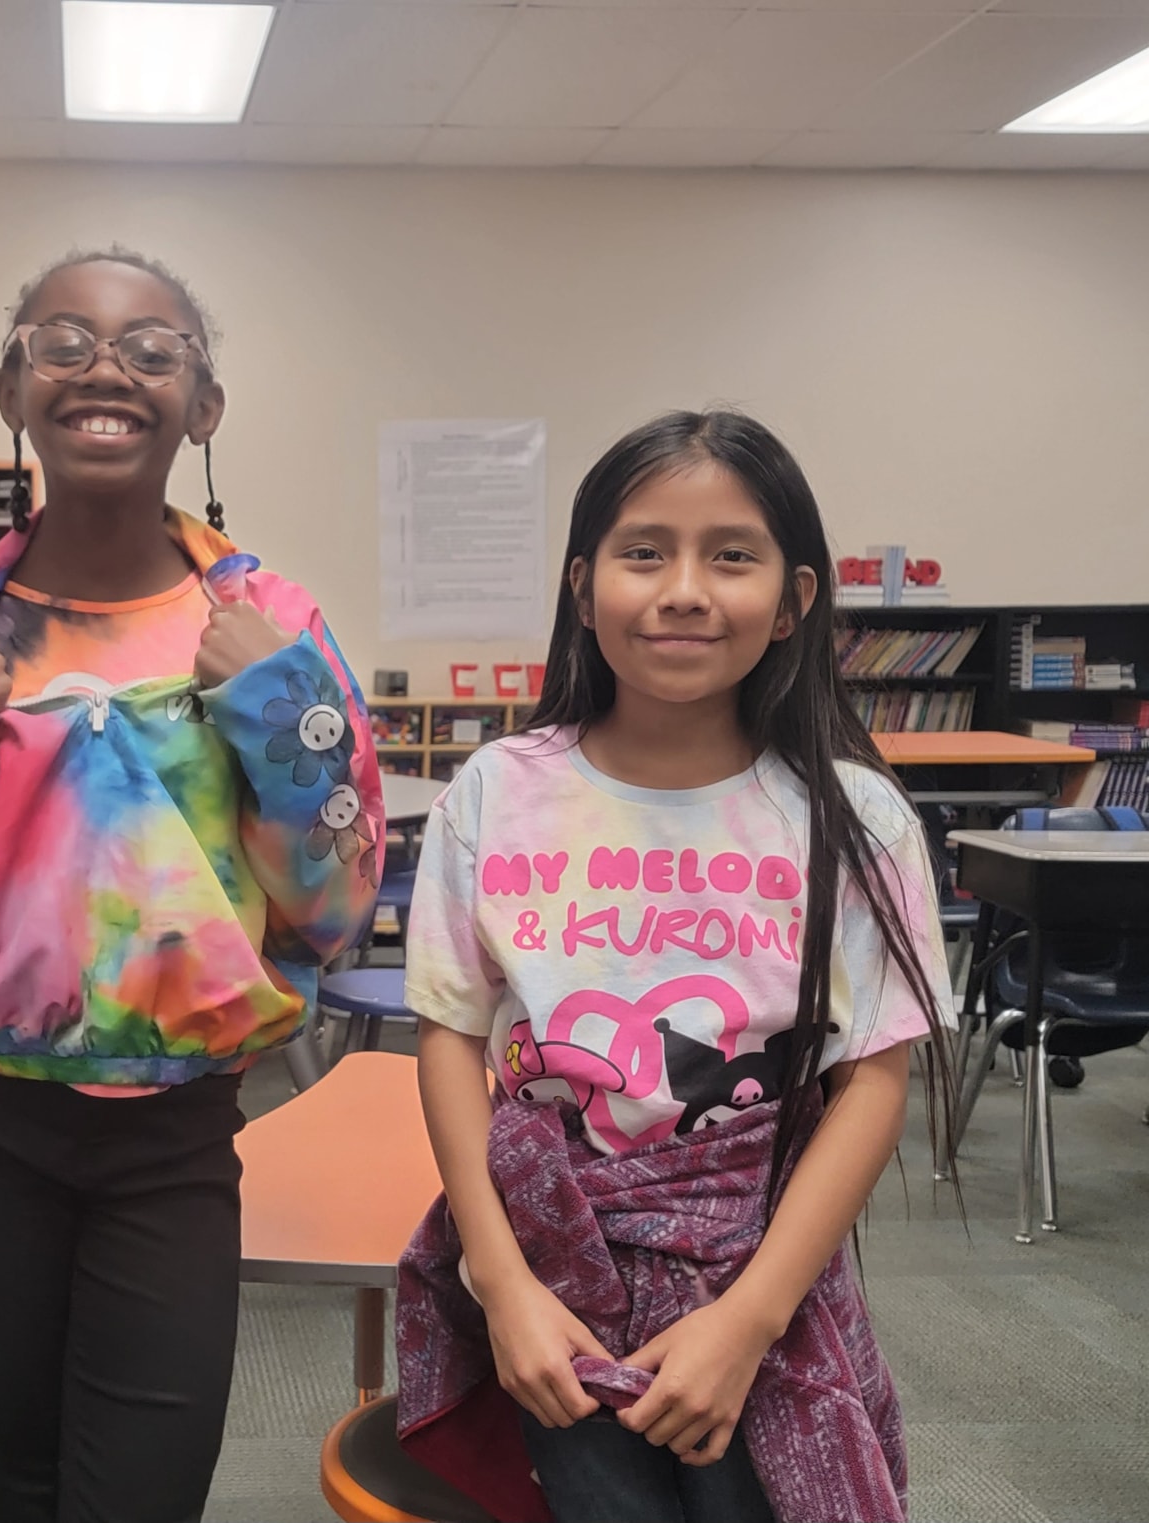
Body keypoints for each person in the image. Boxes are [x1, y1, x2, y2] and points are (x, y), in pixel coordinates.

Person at [0, 247, 382, 1523]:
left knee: (144, 1492)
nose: (104, 368)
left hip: (175, 1133)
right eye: (60, 342)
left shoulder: (272, 623)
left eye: (150, 347)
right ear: (11, 387)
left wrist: (272, 704)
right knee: (15, 1477)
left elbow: (337, 905)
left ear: (203, 404)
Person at [395, 410, 958, 1523]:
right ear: (580, 583)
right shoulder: (496, 791)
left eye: (730, 554)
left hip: (761, 1266)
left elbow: (871, 1082)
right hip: (552, 1257)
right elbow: (450, 1033)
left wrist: (748, 1319)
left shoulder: (856, 818)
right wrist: (501, 1285)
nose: (684, 588)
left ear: (794, 598)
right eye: (642, 550)